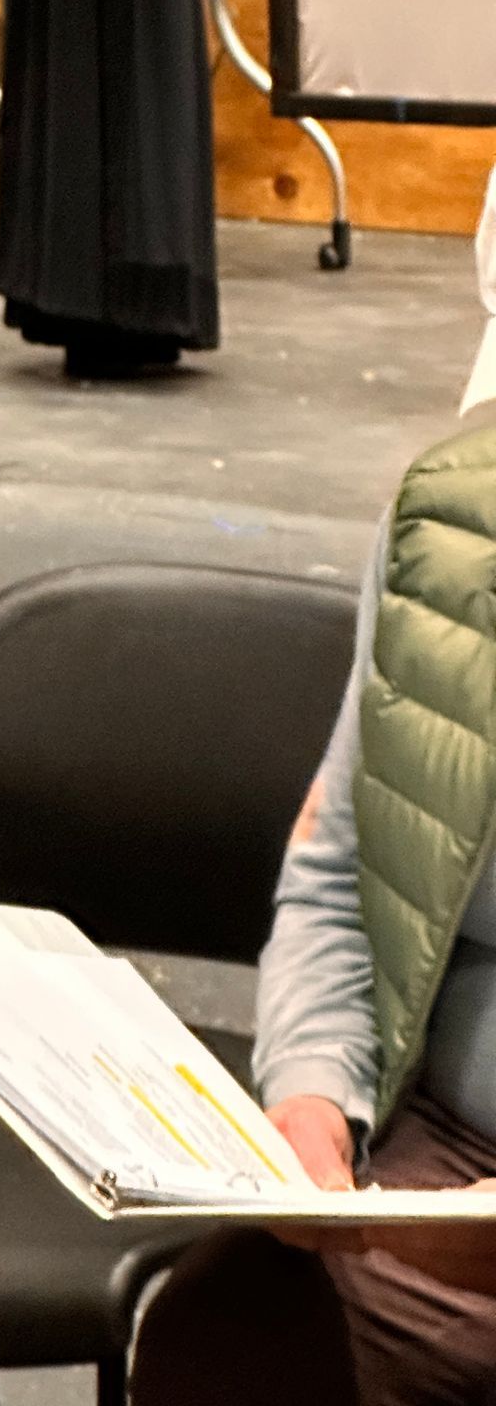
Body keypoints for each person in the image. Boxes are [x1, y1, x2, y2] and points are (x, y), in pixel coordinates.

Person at [131, 399, 496, 1406]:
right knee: (227, 1338)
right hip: (446, 1161)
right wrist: (309, 1099)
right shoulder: (454, 518)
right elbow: (339, 870)